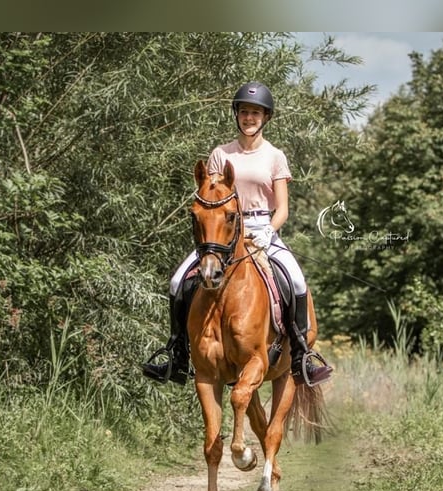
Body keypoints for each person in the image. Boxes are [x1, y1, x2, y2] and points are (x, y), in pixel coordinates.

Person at [142, 81, 333, 386]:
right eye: (244, 112)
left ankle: (301, 357)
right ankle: (177, 354)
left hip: (260, 229)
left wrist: (269, 232)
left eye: (255, 113)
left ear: (265, 117)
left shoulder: (275, 156)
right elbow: (211, 196)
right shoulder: (220, 154)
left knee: (296, 279)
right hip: (221, 233)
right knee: (179, 280)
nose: (249, 118)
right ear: (237, 115)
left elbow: (282, 208)